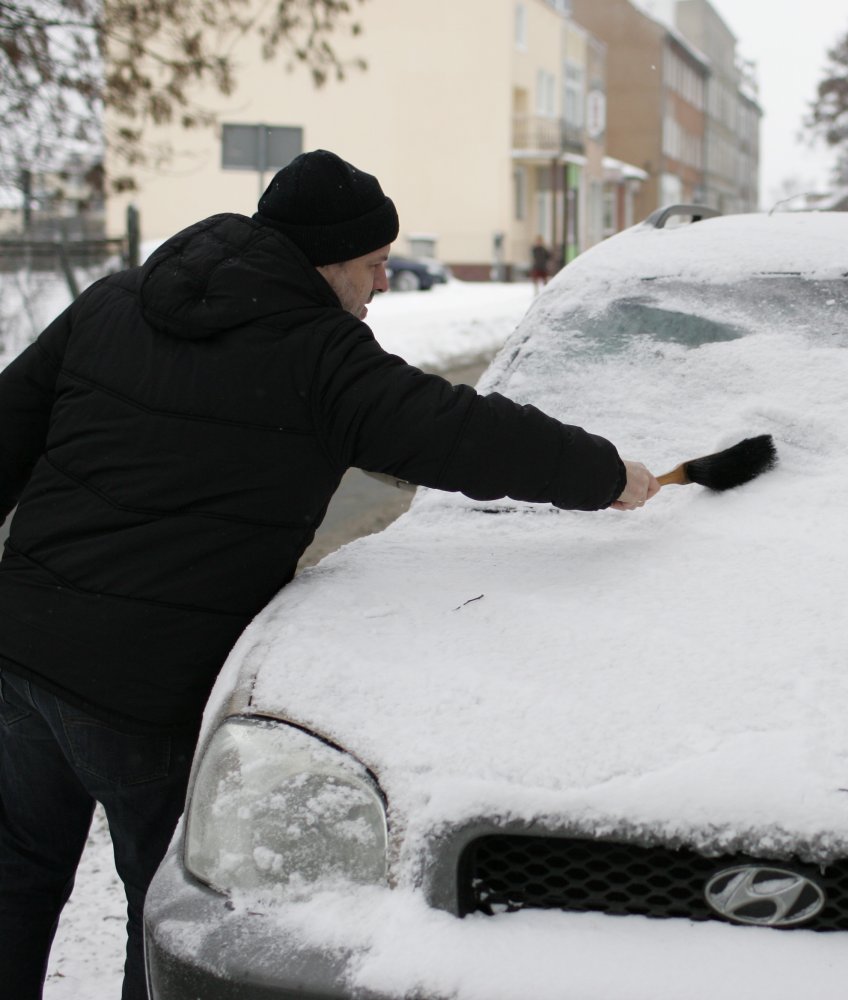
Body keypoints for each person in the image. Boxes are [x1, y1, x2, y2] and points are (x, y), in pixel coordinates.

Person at [0, 149, 659, 1000]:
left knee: (15, 877)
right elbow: (465, 434)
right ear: (328, 261)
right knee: (161, 918)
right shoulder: (325, 362)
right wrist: (606, 475)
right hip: (145, 697)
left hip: (20, 656)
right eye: (375, 265)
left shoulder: (114, 302)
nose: (383, 284)